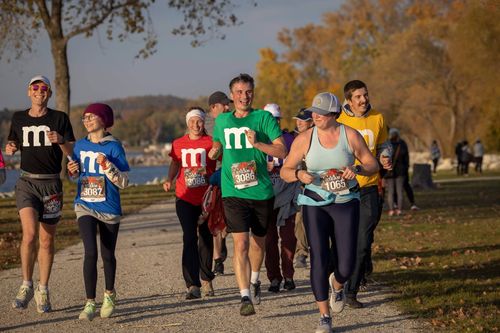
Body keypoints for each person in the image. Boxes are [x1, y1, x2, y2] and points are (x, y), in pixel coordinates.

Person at [281, 92, 379, 333]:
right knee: (319, 258)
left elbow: (372, 164)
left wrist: (356, 168)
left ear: (334, 114)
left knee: (346, 264)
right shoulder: (304, 138)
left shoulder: (350, 135)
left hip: (346, 201)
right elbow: (285, 169)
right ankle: (324, 316)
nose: (315, 115)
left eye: (321, 113)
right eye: (314, 111)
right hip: (314, 202)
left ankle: (337, 284)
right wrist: (298, 175)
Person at [209, 73, 287, 316]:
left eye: (248, 91)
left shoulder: (263, 118)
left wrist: (259, 145)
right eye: (239, 92)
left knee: (258, 243)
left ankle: (255, 281)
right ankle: (244, 296)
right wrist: (214, 152)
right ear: (232, 96)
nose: (244, 96)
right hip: (233, 191)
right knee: (240, 243)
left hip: (261, 191)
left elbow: (282, 150)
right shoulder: (221, 121)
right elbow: (217, 145)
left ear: (253, 93)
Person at [7, 75, 75, 313]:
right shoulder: (18, 118)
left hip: (52, 185)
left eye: (43, 88)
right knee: (29, 234)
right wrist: (10, 148)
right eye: (34, 88)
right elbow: (12, 144)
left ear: (49, 93)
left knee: (46, 241)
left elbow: (71, 151)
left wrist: (62, 141)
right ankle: (26, 284)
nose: (39, 91)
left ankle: (43, 289)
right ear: (28, 92)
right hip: (27, 182)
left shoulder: (60, 118)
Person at [67, 103, 129, 320]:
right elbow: (73, 174)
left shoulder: (114, 146)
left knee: (107, 254)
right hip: (85, 205)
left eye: (92, 116)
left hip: (109, 207)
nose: (87, 120)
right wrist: (72, 172)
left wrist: (108, 167)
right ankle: (90, 302)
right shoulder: (80, 145)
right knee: (90, 252)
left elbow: (124, 182)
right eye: (84, 117)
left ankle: (110, 294)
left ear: (104, 119)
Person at [337, 80, 392, 308]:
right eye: (358, 97)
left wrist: (386, 156)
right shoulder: (338, 121)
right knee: (342, 241)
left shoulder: (378, 117)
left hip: (369, 186)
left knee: (362, 241)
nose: (363, 100)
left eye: (365, 95)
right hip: (343, 189)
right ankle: (340, 277)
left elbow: (383, 144)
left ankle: (351, 291)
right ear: (349, 100)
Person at [164, 107, 217, 299]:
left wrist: (213, 177)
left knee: (205, 237)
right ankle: (192, 285)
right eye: (192, 121)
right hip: (184, 196)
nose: (196, 125)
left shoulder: (211, 142)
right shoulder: (178, 143)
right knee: (189, 237)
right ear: (187, 123)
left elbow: (222, 163)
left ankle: (206, 279)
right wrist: (169, 179)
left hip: (206, 198)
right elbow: (175, 162)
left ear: (204, 122)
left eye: (199, 121)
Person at [262, 103, 300, 293]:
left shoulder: (289, 139)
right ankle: (274, 278)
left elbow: (299, 162)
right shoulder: (258, 139)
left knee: (288, 238)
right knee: (269, 239)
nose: (274, 122)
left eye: (276, 119)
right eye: (270, 119)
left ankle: (288, 275)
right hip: (266, 195)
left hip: (287, 193)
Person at [207, 91, 231, 275]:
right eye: (225, 105)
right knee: (215, 219)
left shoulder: (233, 119)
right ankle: (217, 260)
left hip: (232, 176)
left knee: (228, 222)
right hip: (214, 178)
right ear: (214, 107)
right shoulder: (206, 125)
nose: (228, 107)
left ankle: (223, 244)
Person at [292, 108, 314, 269]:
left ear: (312, 121)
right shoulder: (294, 138)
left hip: (320, 185)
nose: (298, 122)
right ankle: (301, 253)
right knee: (300, 219)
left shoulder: (320, 137)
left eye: (303, 120)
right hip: (300, 185)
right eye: (297, 119)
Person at [384, 128, 409, 216]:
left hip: (389, 171)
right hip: (401, 171)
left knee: (390, 192)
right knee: (399, 191)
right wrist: (406, 169)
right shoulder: (402, 144)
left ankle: (391, 209)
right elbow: (406, 158)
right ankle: (399, 209)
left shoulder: (386, 144)